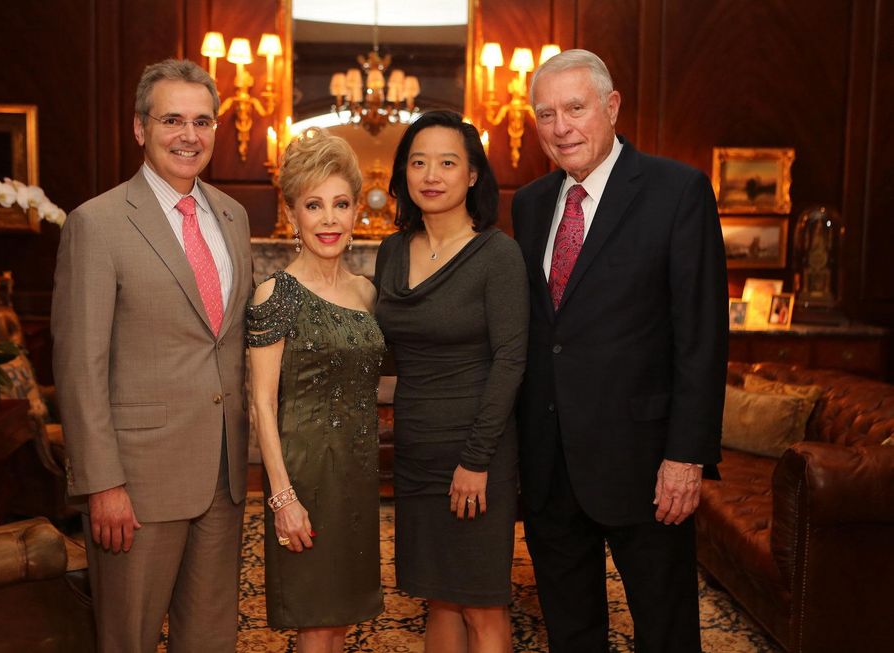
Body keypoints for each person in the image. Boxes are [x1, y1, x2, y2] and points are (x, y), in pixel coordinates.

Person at [511, 49, 728, 652]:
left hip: (646, 465)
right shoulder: (530, 205)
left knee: (665, 629)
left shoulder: (677, 191)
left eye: (575, 108)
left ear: (610, 108)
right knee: (571, 631)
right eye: (546, 114)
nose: (560, 127)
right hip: (551, 464)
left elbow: (701, 339)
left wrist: (685, 456)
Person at [52, 58, 252, 652]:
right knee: (129, 639)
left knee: (211, 639)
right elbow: (78, 364)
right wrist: (102, 483)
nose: (189, 135)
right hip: (136, 484)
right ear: (140, 128)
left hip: (223, 474)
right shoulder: (98, 223)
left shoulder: (234, 216)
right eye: (172, 120)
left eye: (203, 121)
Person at [374, 110, 529, 652]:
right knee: (436, 595)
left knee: (482, 603)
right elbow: (386, 348)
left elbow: (511, 360)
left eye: (447, 162)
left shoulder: (497, 255)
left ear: (472, 176)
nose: (431, 174)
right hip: (415, 446)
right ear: (403, 174)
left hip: (476, 450)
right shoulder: (393, 250)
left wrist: (477, 459)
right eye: (418, 162)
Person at [247, 128, 384, 652]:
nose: (329, 219)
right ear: (293, 214)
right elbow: (261, 403)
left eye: (341, 203)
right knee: (316, 623)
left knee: (342, 619)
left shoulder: (367, 292)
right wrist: (282, 498)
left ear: (355, 213)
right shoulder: (276, 293)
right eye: (314, 204)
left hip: (356, 472)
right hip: (303, 474)